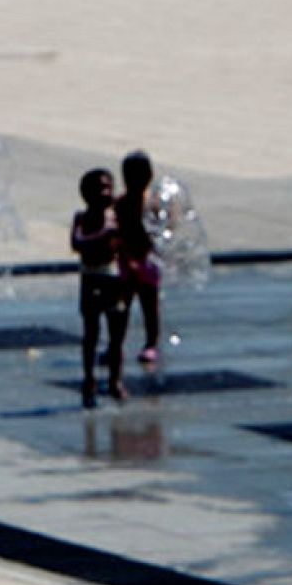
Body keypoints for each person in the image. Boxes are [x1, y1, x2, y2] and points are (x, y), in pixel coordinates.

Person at [72, 168, 129, 408]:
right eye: (98, 189)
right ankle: (89, 379)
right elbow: (77, 243)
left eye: (108, 187)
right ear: (85, 195)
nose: (105, 193)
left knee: (116, 336)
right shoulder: (81, 218)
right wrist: (103, 234)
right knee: (91, 334)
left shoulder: (116, 216)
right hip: (91, 279)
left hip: (113, 279)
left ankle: (115, 380)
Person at [115, 151, 163, 366]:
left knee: (149, 306)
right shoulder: (121, 204)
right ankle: (116, 343)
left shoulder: (153, 204)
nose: (135, 182)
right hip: (125, 261)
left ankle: (151, 343)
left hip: (147, 262)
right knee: (121, 307)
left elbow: (161, 232)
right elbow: (117, 233)